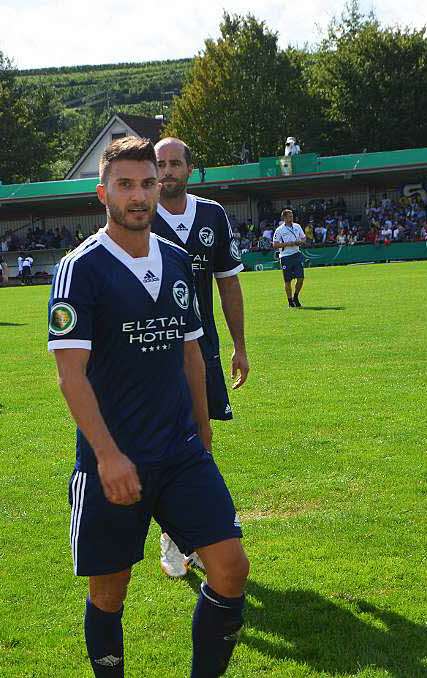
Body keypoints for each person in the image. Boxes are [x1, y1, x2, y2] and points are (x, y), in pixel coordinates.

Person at [49, 136, 248, 677]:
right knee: (110, 592)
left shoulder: (180, 261)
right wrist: (109, 456)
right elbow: (71, 376)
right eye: (126, 185)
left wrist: (203, 434)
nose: (139, 196)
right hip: (114, 460)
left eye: (147, 183)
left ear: (161, 187)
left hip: (181, 452)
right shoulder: (80, 268)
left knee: (231, 569)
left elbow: (191, 355)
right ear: (103, 193)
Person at [153, 136, 250, 577]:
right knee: (163, 439)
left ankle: (183, 530)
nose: (168, 170)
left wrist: (240, 346)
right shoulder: (139, 213)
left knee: (202, 437)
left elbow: (229, 283)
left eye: (175, 163)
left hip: (202, 347)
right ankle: (174, 533)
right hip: (151, 351)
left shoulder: (212, 215)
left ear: (190, 169)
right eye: (161, 163)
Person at [273, 209, 307, 307]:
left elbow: (304, 237)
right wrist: (289, 243)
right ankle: (289, 301)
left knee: (300, 278)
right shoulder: (279, 230)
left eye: (292, 216)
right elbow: (275, 245)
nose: (291, 218)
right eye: (289, 216)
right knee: (287, 281)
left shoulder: (297, 226)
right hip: (285, 257)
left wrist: (302, 241)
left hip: (296, 254)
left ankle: (295, 297)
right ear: (284, 218)